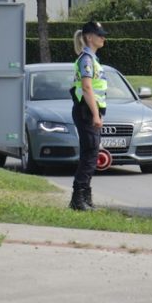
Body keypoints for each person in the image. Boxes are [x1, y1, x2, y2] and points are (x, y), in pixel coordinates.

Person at [69, 21, 108, 210]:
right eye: (99, 35)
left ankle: (85, 197)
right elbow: (86, 87)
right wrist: (95, 115)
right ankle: (78, 199)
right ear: (89, 37)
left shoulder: (92, 59)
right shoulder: (86, 59)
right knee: (90, 155)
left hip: (89, 111)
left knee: (90, 154)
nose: (103, 38)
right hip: (86, 111)